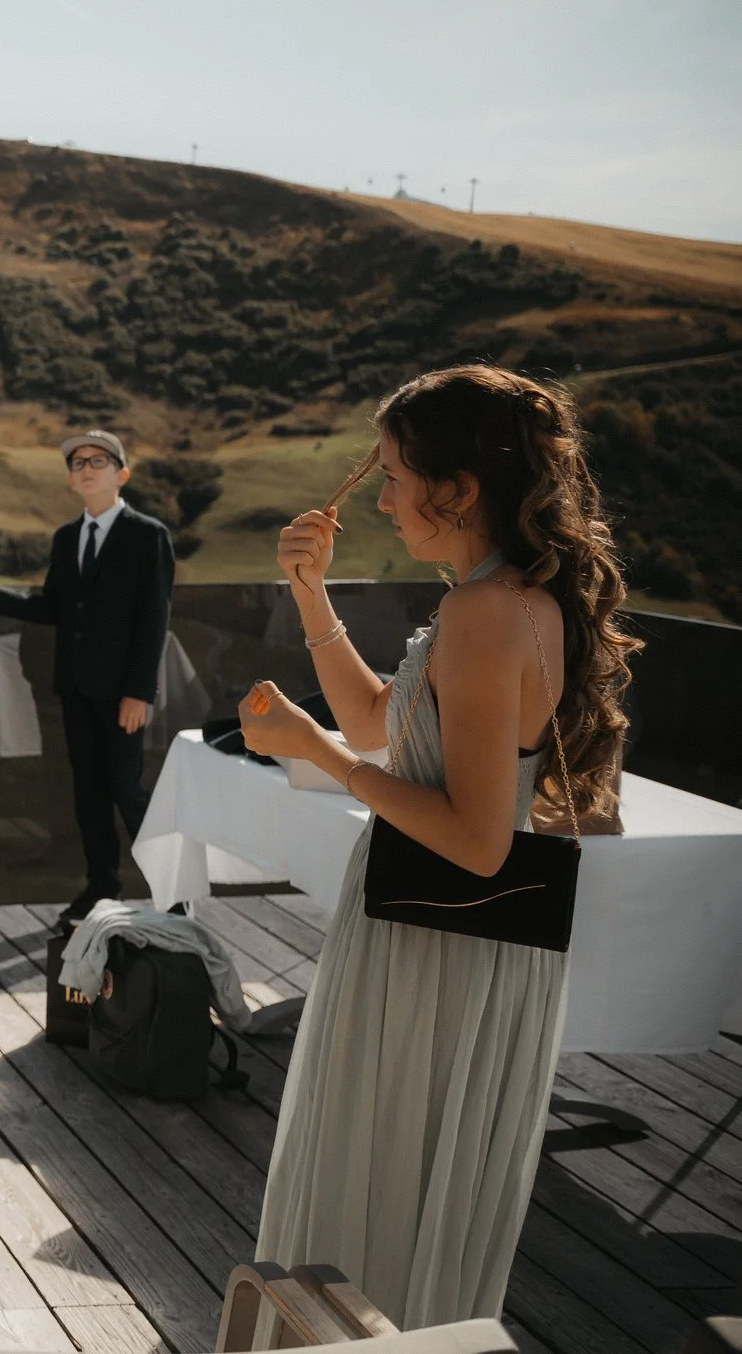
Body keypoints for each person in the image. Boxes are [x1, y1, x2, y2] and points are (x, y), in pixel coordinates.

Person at [236, 364, 633, 1326]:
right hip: (426, 937)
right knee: (393, 1197)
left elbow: (478, 839)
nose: (380, 497)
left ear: (458, 488)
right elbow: (382, 721)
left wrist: (311, 750)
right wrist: (309, 591)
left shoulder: (487, 611)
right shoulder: (486, 595)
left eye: (396, 474)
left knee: (379, 1192)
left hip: (437, 951)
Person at [0, 429, 175, 921]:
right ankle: (101, 886)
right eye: (78, 463)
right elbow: (54, 607)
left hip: (122, 697)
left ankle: (174, 892)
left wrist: (140, 691)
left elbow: (153, 621)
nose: (87, 468)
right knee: (88, 793)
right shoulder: (68, 537)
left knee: (128, 790)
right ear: (71, 481)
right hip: (74, 690)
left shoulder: (148, 536)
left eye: (99, 460)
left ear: (122, 475)